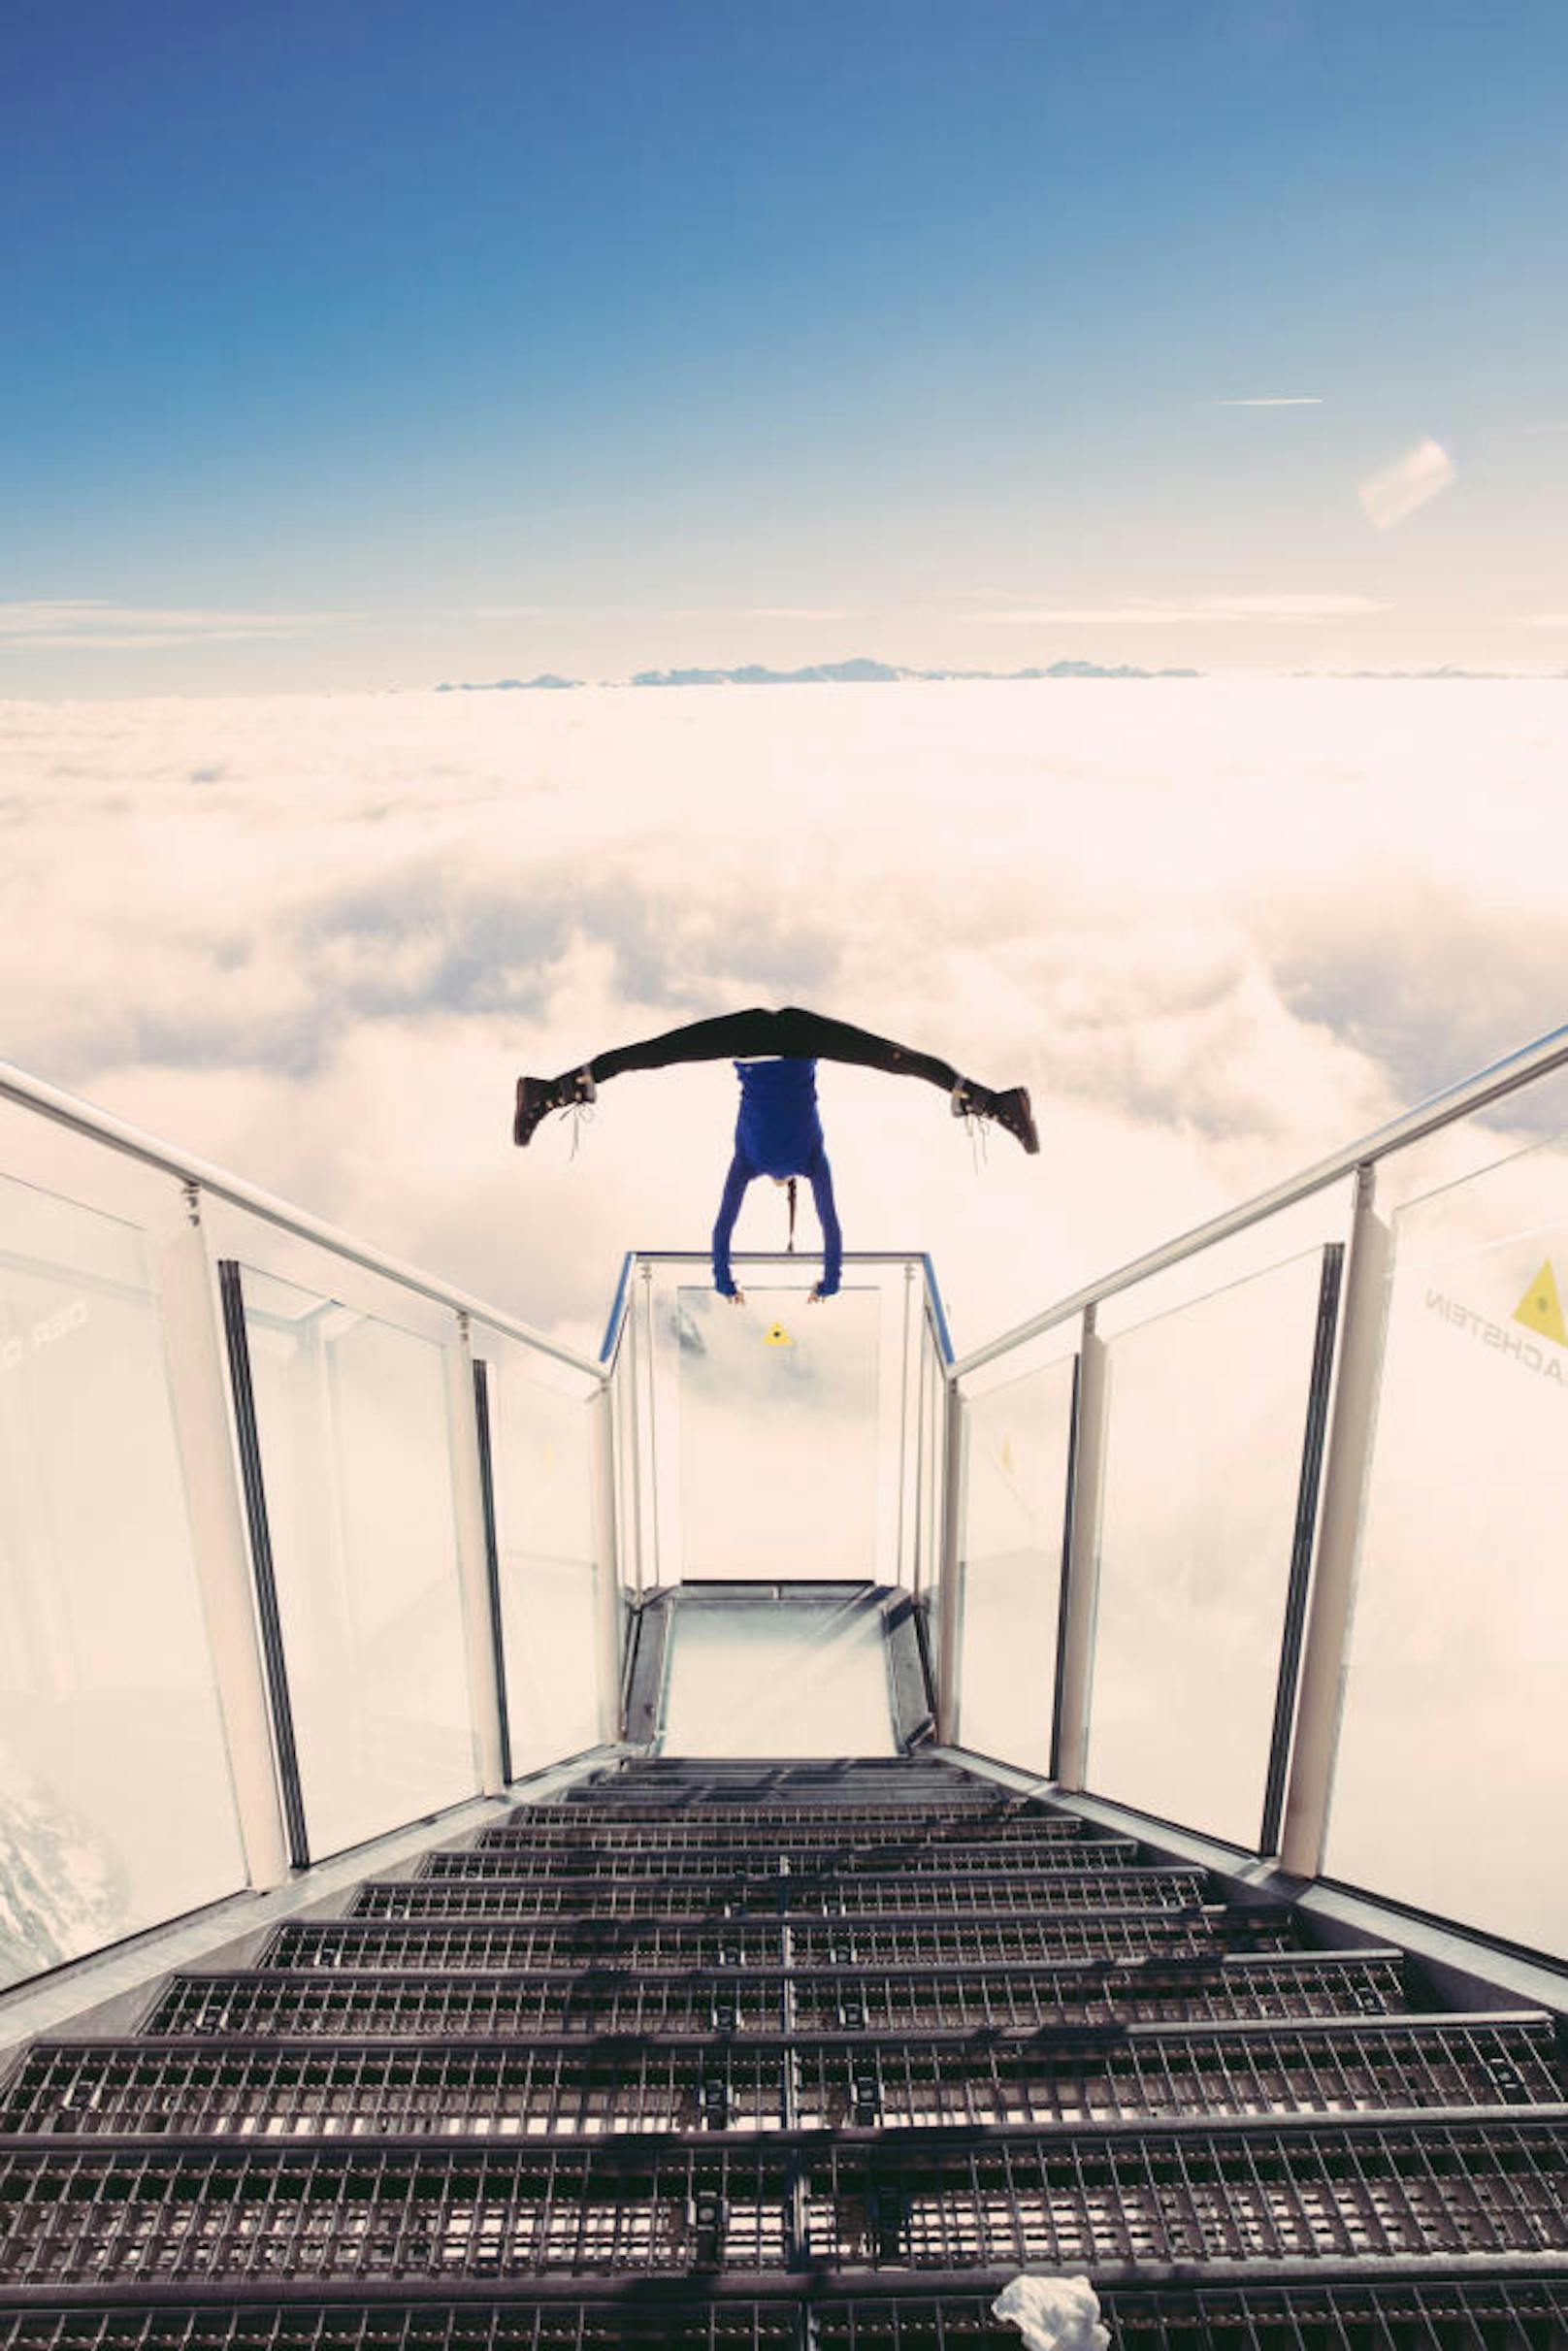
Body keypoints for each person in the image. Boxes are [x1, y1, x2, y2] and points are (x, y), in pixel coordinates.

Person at [513, 1006, 1037, 1302]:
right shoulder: (756, 1161)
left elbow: (830, 1228)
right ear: (780, 1183)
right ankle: (553, 1089)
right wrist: (728, 1283)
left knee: (890, 1059)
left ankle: (992, 1102)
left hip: (783, 1036)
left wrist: (828, 1284)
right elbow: (723, 1231)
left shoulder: (806, 1161)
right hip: (764, 1037)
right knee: (654, 1055)